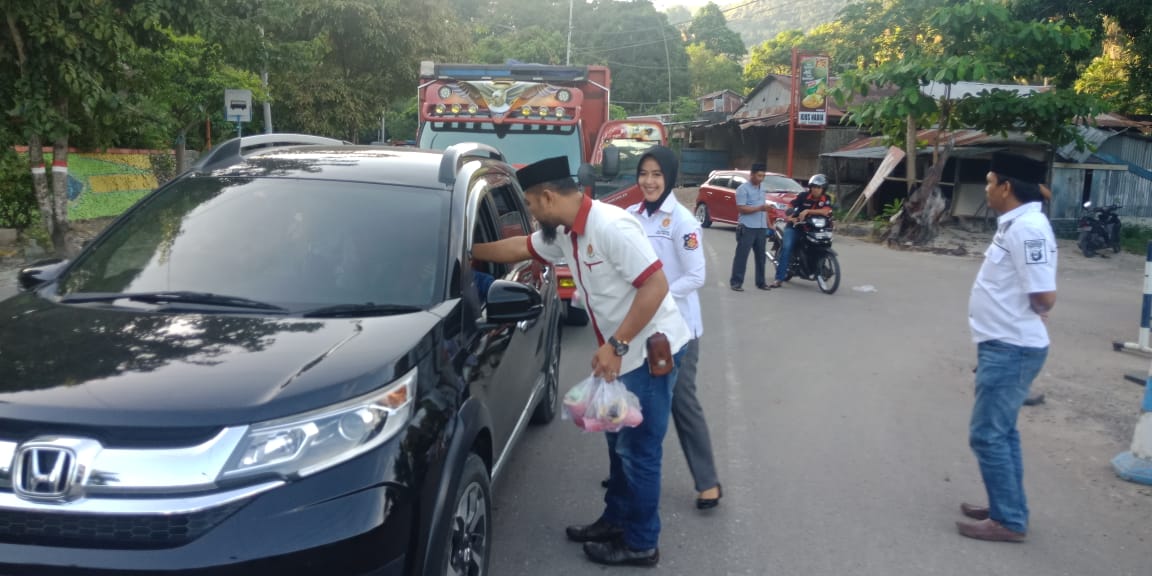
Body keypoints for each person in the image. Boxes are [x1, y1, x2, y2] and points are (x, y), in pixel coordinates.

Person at [471, 156, 691, 566]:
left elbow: (655, 286)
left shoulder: (611, 226)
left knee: (639, 451)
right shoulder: (564, 233)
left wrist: (617, 345)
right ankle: (616, 520)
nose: (532, 215)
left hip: (646, 352)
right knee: (617, 444)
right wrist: (463, 250)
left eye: (532, 207)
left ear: (549, 197)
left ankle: (642, 543)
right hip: (619, 356)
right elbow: (522, 247)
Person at [959, 151, 1057, 543]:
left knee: (987, 435)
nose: (986, 189)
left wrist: (1034, 309)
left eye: (989, 182)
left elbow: (1045, 296)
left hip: (1012, 347)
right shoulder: (1015, 223)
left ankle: (1009, 520)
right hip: (1001, 343)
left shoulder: (1027, 229)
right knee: (1004, 432)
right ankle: (1006, 505)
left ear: (1006, 187)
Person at [620, 146, 722, 510]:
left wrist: (657, 295)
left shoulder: (682, 221)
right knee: (633, 398)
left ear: (669, 178)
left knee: (681, 404)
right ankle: (625, 470)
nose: (648, 181)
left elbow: (696, 274)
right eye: (644, 173)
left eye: (657, 175)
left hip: (677, 333)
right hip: (641, 328)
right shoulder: (630, 217)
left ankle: (708, 482)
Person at [769, 173, 833, 288]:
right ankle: (779, 278)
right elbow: (790, 206)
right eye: (814, 187)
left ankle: (817, 267)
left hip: (814, 230)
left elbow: (826, 211)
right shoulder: (803, 196)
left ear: (823, 189)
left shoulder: (826, 198)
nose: (815, 189)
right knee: (787, 247)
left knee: (822, 245)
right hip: (796, 227)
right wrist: (790, 215)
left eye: (818, 187)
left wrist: (808, 211)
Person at [728, 163, 772, 291]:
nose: (761, 178)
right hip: (747, 227)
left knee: (761, 257)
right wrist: (760, 208)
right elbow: (741, 208)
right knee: (742, 256)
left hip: (761, 227)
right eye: (759, 175)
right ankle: (736, 282)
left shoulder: (763, 188)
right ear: (752, 174)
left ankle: (761, 282)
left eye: (763, 176)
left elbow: (764, 207)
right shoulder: (743, 189)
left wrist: (769, 224)